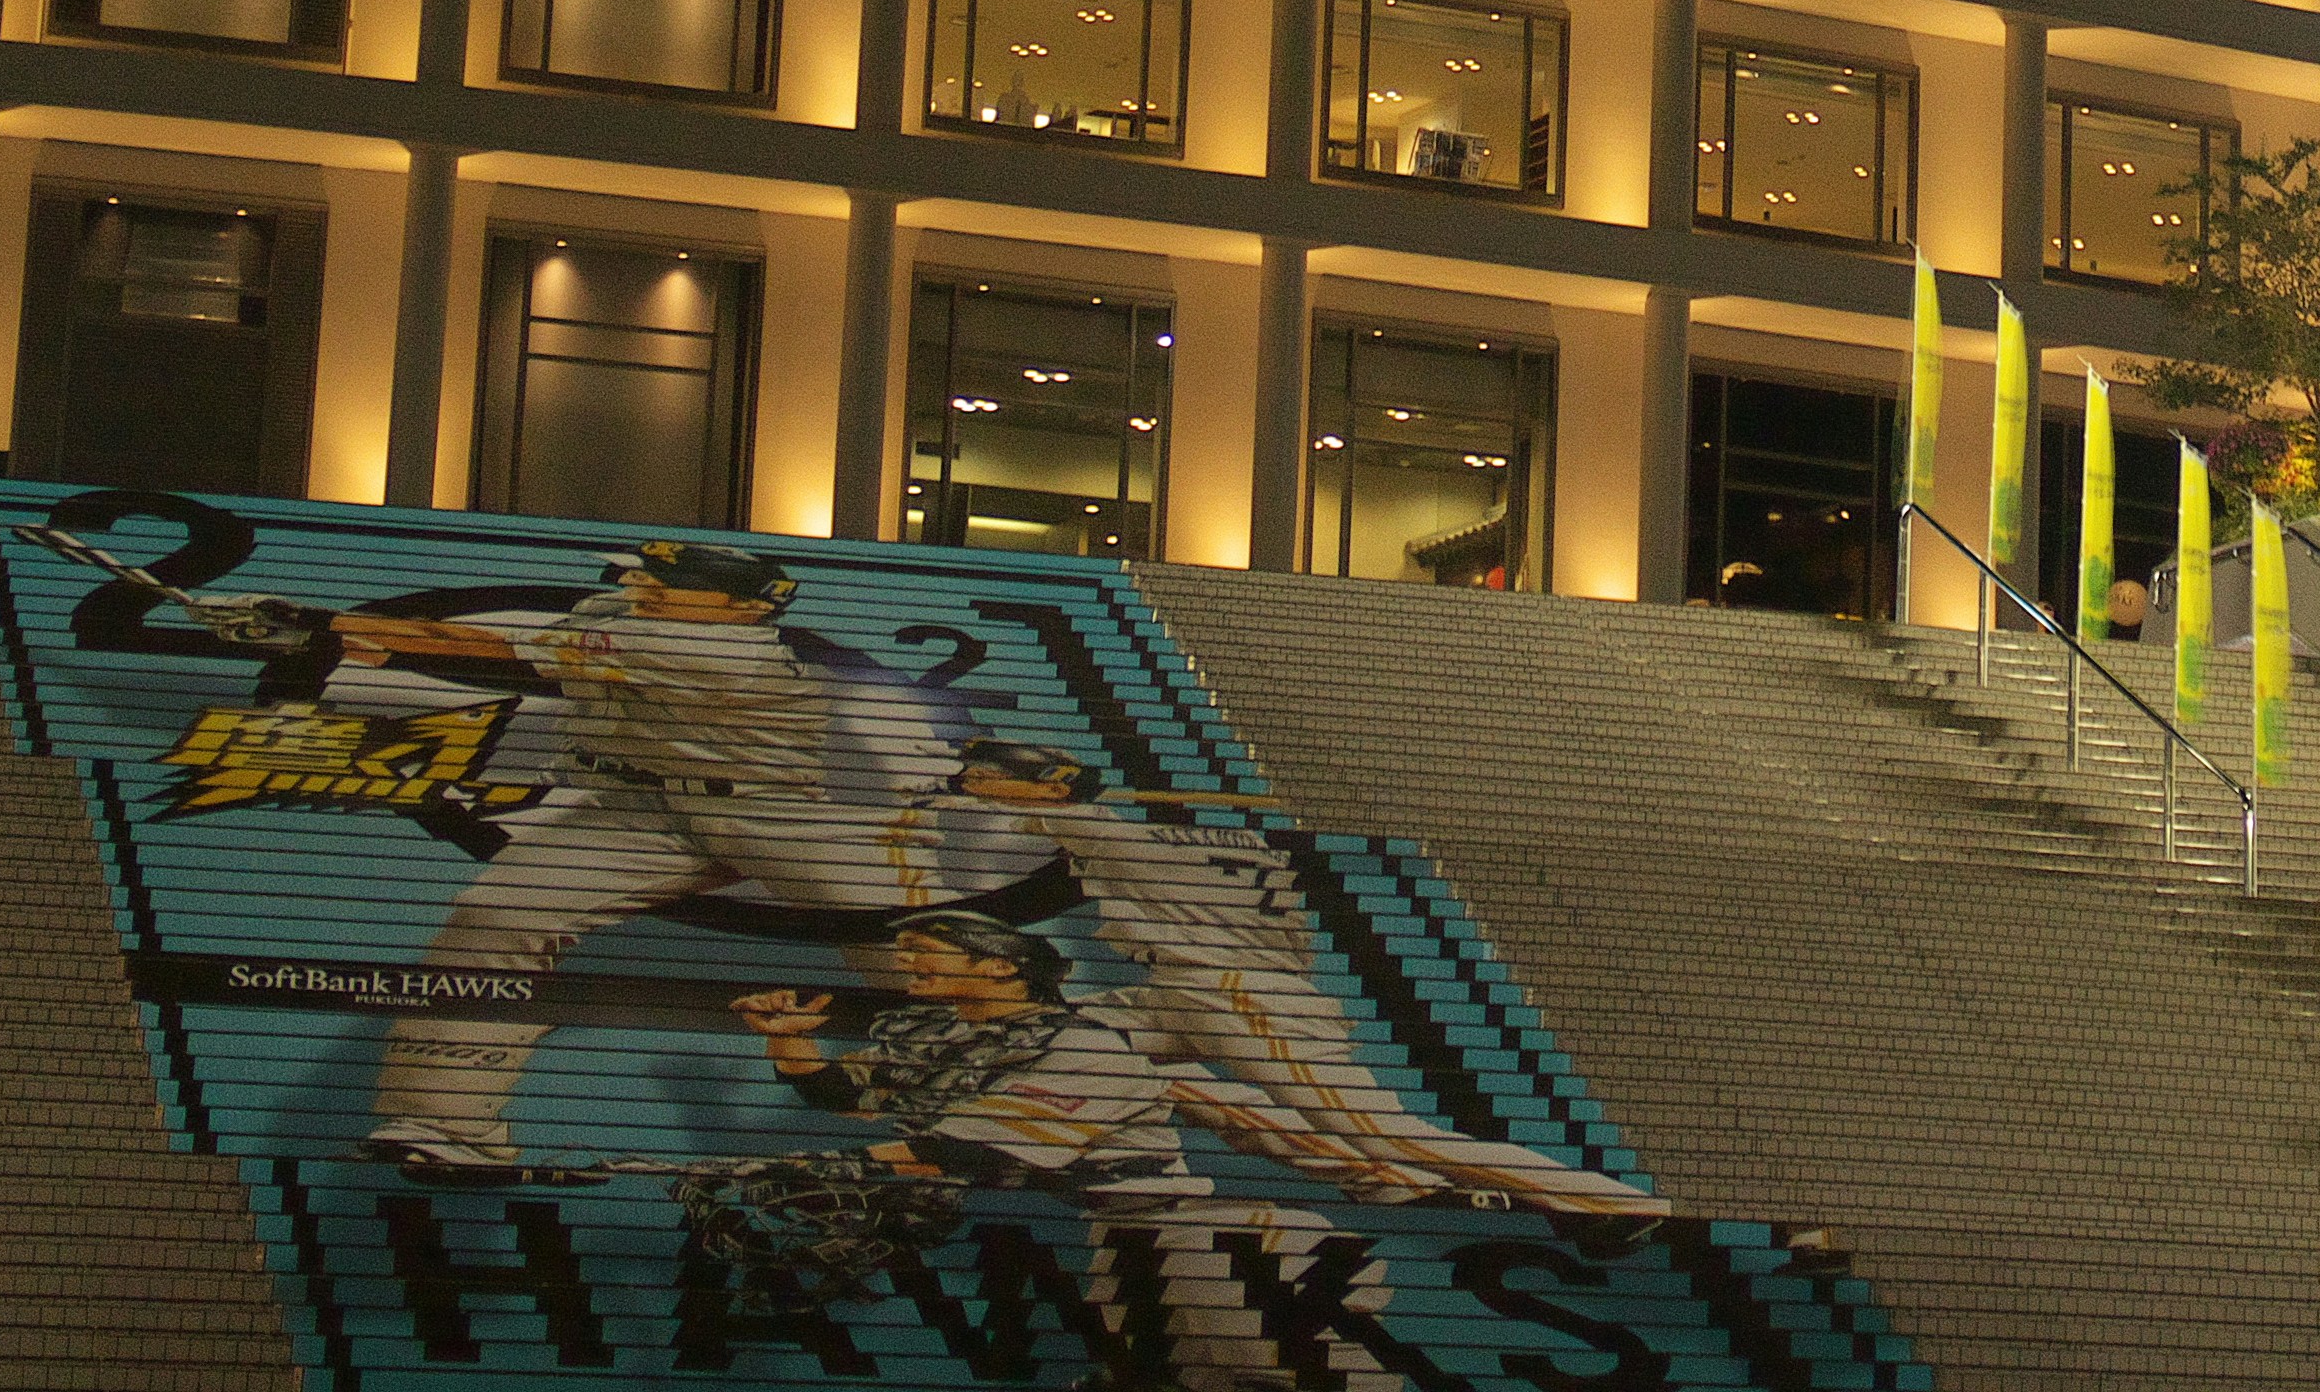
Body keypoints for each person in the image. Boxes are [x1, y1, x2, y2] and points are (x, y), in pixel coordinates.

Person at [328, 539, 972, 1177]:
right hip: (640, 809)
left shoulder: (712, 644)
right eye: (646, 575)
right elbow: (520, 665)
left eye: (672, 580)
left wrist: (325, 623)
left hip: (771, 810)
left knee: (914, 939)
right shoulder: (617, 617)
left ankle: (992, 1101)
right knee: (497, 917)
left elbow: (491, 648)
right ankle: (445, 1124)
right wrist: (388, 645)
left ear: (743, 608)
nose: (645, 586)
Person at [936, 740, 1662, 1229]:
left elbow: (1014, 808)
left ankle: (1612, 1204)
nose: (973, 776)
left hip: (1235, 992)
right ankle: (1375, 1176)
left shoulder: (1114, 832)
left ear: (1056, 784)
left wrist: (1000, 790)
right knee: (1064, 1038)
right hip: (1193, 991)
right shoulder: (1235, 842)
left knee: (1387, 1128)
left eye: (986, 768)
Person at [714, 912, 1397, 1387]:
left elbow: (970, 1152)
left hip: (1202, 1240)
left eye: (927, 949)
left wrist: (833, 1168)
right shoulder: (959, 1040)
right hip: (1129, 1236)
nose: (908, 961)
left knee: (1300, 1375)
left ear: (1002, 967)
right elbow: (841, 1092)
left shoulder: (1082, 1045)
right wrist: (787, 1037)